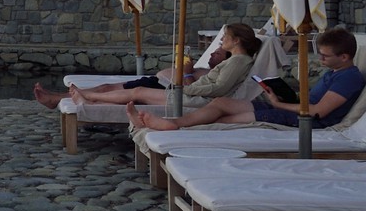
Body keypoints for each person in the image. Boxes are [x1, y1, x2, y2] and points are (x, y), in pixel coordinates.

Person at [130, 26, 363, 132]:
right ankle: (174, 122)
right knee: (221, 103)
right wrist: (281, 96)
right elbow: (311, 102)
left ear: (344, 57)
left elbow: (318, 112)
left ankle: (172, 126)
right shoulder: (335, 72)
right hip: (295, 111)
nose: (320, 59)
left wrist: (279, 104)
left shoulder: (349, 78)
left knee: (228, 119)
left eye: (325, 56)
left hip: (307, 122)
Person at [31, 23, 258, 110]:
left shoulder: (239, 61)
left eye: (225, 37)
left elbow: (218, 88)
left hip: (193, 98)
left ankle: (87, 99)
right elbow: (215, 83)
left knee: (137, 92)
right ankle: (86, 99)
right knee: (135, 92)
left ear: (237, 40)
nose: (221, 40)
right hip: (187, 92)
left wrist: (186, 85)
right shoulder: (235, 60)